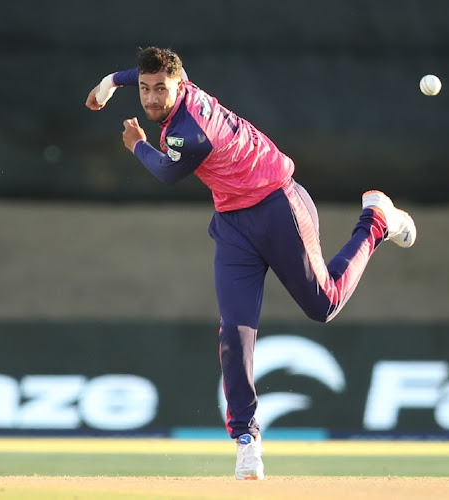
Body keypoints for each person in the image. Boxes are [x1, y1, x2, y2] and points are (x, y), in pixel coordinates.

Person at [85, 46, 416, 480]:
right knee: (235, 332)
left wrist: (137, 146)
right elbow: (140, 73)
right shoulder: (173, 89)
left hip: (278, 205)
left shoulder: (188, 130)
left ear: (180, 87)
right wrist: (110, 83)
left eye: (159, 90)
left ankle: (374, 220)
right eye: (144, 89)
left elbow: (167, 172)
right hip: (233, 224)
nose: (149, 98)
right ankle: (246, 440)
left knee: (324, 305)